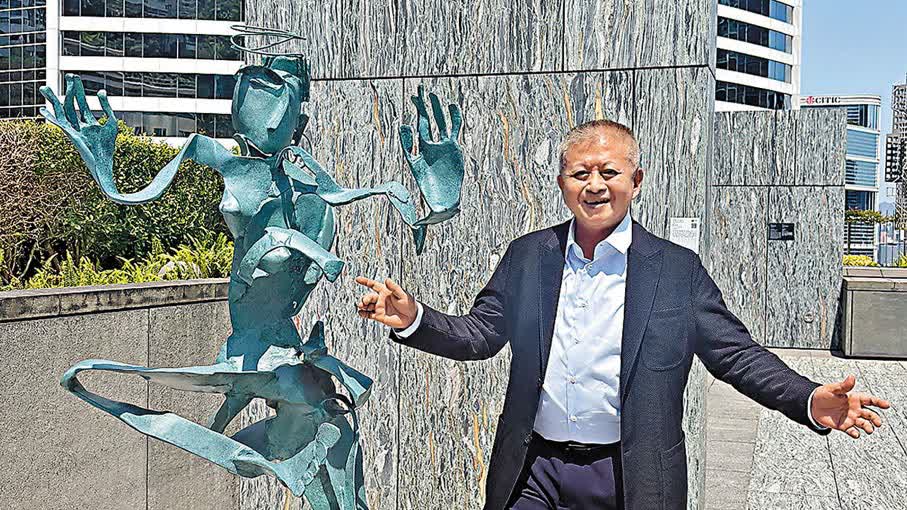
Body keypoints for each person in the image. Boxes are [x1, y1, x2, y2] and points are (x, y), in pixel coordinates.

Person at [354, 120, 890, 510]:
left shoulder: (676, 271)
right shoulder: (529, 256)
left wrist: (808, 398)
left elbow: (735, 355)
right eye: (579, 173)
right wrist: (414, 317)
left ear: (636, 180)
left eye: (609, 171)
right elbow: (482, 334)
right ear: (562, 184)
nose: (594, 185)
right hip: (533, 469)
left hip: (630, 476)